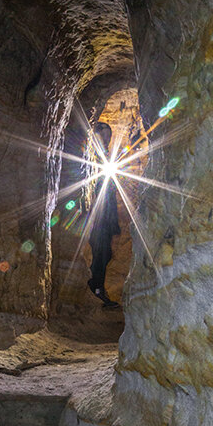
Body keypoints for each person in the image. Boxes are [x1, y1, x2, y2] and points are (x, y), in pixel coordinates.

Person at [87, 123, 121, 309]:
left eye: (109, 136)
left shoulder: (106, 157)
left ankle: (96, 286)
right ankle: (95, 288)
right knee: (100, 252)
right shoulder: (94, 157)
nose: (107, 140)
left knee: (105, 253)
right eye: (104, 136)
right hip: (97, 216)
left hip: (106, 215)